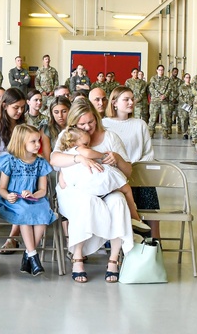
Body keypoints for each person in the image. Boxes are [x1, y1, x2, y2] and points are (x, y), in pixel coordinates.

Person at [50, 99, 134, 284]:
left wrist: (117, 159)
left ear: (96, 118)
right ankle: (77, 256)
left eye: (91, 122)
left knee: (118, 201)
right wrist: (79, 158)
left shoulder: (110, 137)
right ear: (73, 124)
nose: (87, 127)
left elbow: (128, 172)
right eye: (82, 124)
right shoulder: (68, 135)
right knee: (86, 201)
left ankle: (113, 259)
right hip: (76, 189)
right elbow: (54, 159)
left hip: (106, 187)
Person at [0, 124, 55, 276]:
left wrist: (34, 195)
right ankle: (33, 256)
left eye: (38, 140)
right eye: (33, 141)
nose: (38, 144)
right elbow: (2, 188)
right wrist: (8, 195)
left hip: (34, 199)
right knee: (26, 213)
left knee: (43, 213)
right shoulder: (10, 161)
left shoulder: (40, 163)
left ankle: (29, 255)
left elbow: (43, 190)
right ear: (21, 143)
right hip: (14, 201)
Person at [102, 86, 157, 238]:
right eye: (126, 99)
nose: (131, 102)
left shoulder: (140, 124)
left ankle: (153, 242)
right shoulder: (104, 124)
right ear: (114, 103)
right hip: (115, 176)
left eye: (132, 99)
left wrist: (133, 167)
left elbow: (148, 153)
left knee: (149, 197)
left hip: (137, 173)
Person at [58, 127, 142, 225]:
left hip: (83, 189)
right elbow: (88, 153)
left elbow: (63, 183)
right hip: (94, 183)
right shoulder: (78, 149)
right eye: (85, 144)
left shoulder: (66, 155)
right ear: (73, 143)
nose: (88, 147)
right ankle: (134, 216)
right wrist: (103, 155)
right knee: (126, 188)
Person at [148, 64, 171, 138]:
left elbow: (169, 88)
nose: (161, 71)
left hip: (164, 101)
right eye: (159, 70)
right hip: (155, 101)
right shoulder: (153, 78)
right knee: (153, 117)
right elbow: (151, 89)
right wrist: (159, 95)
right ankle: (150, 133)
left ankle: (165, 133)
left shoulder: (167, 79)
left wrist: (165, 95)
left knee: (165, 117)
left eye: (162, 70)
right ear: (157, 70)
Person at [177, 72, 194, 137]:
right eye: (187, 77)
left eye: (189, 77)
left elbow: (195, 95)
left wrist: (191, 103)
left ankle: (192, 133)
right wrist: (186, 104)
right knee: (184, 120)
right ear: (184, 78)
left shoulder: (192, 86)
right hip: (184, 106)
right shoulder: (181, 87)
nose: (188, 79)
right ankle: (185, 133)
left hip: (192, 105)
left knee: (192, 120)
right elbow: (180, 96)